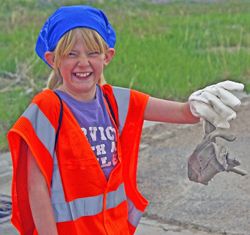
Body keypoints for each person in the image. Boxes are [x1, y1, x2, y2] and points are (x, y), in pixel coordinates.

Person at [7, 5, 244, 235]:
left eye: (92, 53)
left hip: (113, 228)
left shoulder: (115, 101)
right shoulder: (47, 108)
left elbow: (183, 113)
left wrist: (198, 104)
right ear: (53, 59)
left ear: (107, 56)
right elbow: (36, 187)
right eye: (71, 54)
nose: (82, 62)